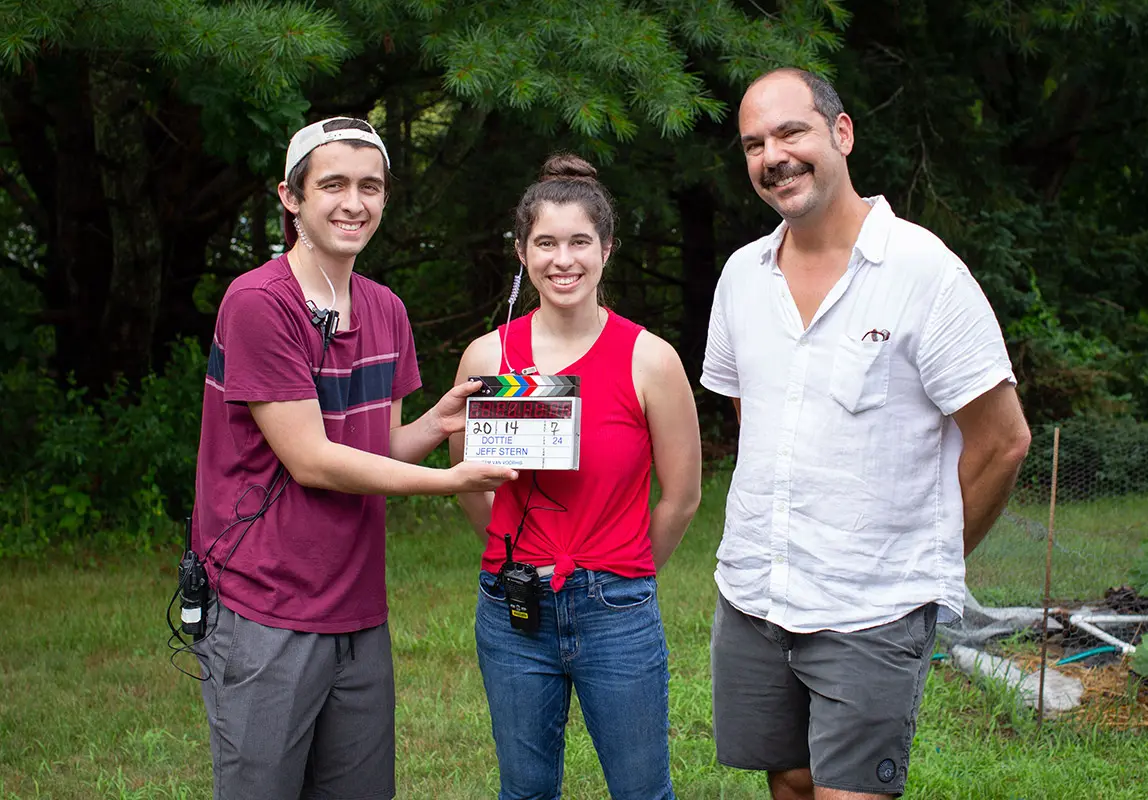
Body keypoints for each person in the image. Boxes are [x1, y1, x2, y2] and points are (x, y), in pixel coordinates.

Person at [700, 69, 1032, 800]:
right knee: (787, 781)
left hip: (870, 611)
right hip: (754, 594)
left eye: (792, 132)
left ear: (841, 133)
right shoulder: (740, 278)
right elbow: (753, 415)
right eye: (754, 144)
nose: (773, 156)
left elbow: (1003, 439)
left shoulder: (924, 272)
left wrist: (924, 562)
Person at [190, 116, 516, 800]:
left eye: (371, 186)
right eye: (332, 184)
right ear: (291, 197)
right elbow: (313, 460)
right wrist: (448, 479)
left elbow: (372, 450)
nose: (354, 202)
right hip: (265, 607)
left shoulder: (385, 309)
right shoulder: (258, 302)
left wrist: (437, 421)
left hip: (358, 608)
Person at [450, 154, 702, 800]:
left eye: (579, 242)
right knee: (526, 790)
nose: (563, 260)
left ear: (607, 248)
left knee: (642, 789)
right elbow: (469, 480)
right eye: (546, 243)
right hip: (513, 608)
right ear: (522, 252)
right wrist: (512, 548)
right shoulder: (487, 356)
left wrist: (628, 566)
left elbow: (682, 495)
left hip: (617, 606)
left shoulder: (651, 359)